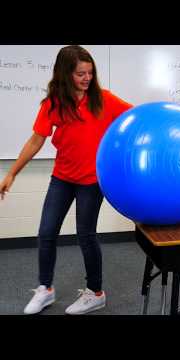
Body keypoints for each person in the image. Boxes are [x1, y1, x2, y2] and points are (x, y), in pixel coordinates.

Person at [0, 45, 133, 315]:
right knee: (46, 233)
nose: (87, 78)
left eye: (90, 73)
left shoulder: (104, 99)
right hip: (62, 177)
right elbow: (37, 139)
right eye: (80, 73)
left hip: (91, 181)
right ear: (65, 74)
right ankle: (45, 289)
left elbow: (135, 117)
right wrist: (12, 172)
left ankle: (96, 293)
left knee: (86, 236)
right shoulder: (53, 103)